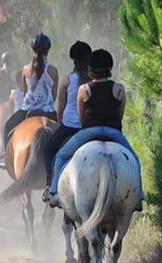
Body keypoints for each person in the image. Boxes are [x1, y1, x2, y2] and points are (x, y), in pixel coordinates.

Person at [43, 48, 142, 208]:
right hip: (113, 132)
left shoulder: (84, 89)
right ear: (109, 69)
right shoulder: (119, 89)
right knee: (135, 159)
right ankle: (139, 196)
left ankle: (53, 191)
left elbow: (82, 118)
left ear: (91, 70)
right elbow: (120, 115)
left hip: (89, 132)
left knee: (60, 156)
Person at [41, 41, 91, 190]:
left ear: (73, 61)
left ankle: (50, 184)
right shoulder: (92, 80)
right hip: (87, 128)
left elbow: (60, 110)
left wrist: (60, 123)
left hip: (68, 127)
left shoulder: (68, 79)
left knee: (48, 149)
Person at [2, 32, 58, 143]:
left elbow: (24, 92)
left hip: (28, 110)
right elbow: (54, 95)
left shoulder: (25, 69)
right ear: (48, 50)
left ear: (33, 50)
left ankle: (4, 157)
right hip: (49, 111)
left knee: (7, 128)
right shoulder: (53, 70)